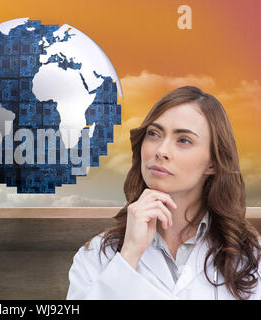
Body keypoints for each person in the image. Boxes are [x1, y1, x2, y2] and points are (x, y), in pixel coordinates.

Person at [66, 86, 261, 300]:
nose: (161, 151)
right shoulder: (96, 256)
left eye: (184, 140)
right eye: (154, 134)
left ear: (213, 162)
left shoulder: (252, 258)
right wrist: (129, 254)